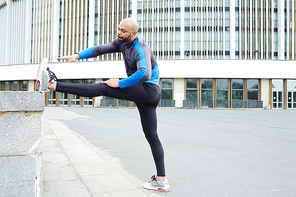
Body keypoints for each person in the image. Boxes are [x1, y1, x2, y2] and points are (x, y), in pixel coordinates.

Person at [46, 18, 170, 192]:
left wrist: (120, 83)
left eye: (123, 31)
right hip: (147, 94)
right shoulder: (122, 43)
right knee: (152, 136)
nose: (119, 32)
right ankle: (161, 180)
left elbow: (144, 72)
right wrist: (77, 55)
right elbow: (99, 50)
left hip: (148, 89)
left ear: (134, 33)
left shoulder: (141, 48)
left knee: (103, 88)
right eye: (118, 28)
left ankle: (53, 84)